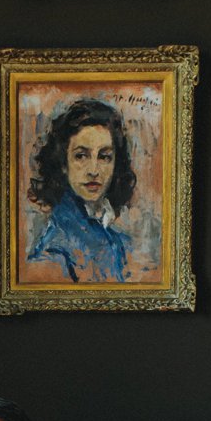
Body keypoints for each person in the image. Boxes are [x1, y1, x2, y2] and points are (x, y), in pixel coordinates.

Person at [26, 99, 137, 284]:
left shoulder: (120, 242)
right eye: (81, 156)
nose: (93, 170)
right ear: (63, 163)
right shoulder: (54, 252)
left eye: (104, 157)